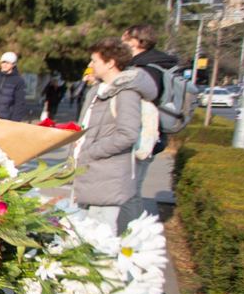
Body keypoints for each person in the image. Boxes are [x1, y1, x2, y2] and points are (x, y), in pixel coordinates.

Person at [71, 38, 157, 234]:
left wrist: (91, 151)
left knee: (100, 237)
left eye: (94, 61)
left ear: (110, 63)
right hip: (89, 172)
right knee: (80, 232)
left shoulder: (126, 93)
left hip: (107, 177)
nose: (90, 65)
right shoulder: (96, 90)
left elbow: (127, 134)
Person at [119, 23, 179, 228]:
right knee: (130, 190)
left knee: (130, 192)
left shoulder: (146, 70)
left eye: (125, 39)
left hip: (142, 138)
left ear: (137, 41)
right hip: (145, 136)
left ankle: (131, 238)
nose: (122, 43)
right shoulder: (153, 65)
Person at [0, 51, 27, 121]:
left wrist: (14, 121)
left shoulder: (18, 81)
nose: (4, 65)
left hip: (5, 119)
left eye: (7, 63)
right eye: (3, 62)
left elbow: (20, 103)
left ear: (13, 64)